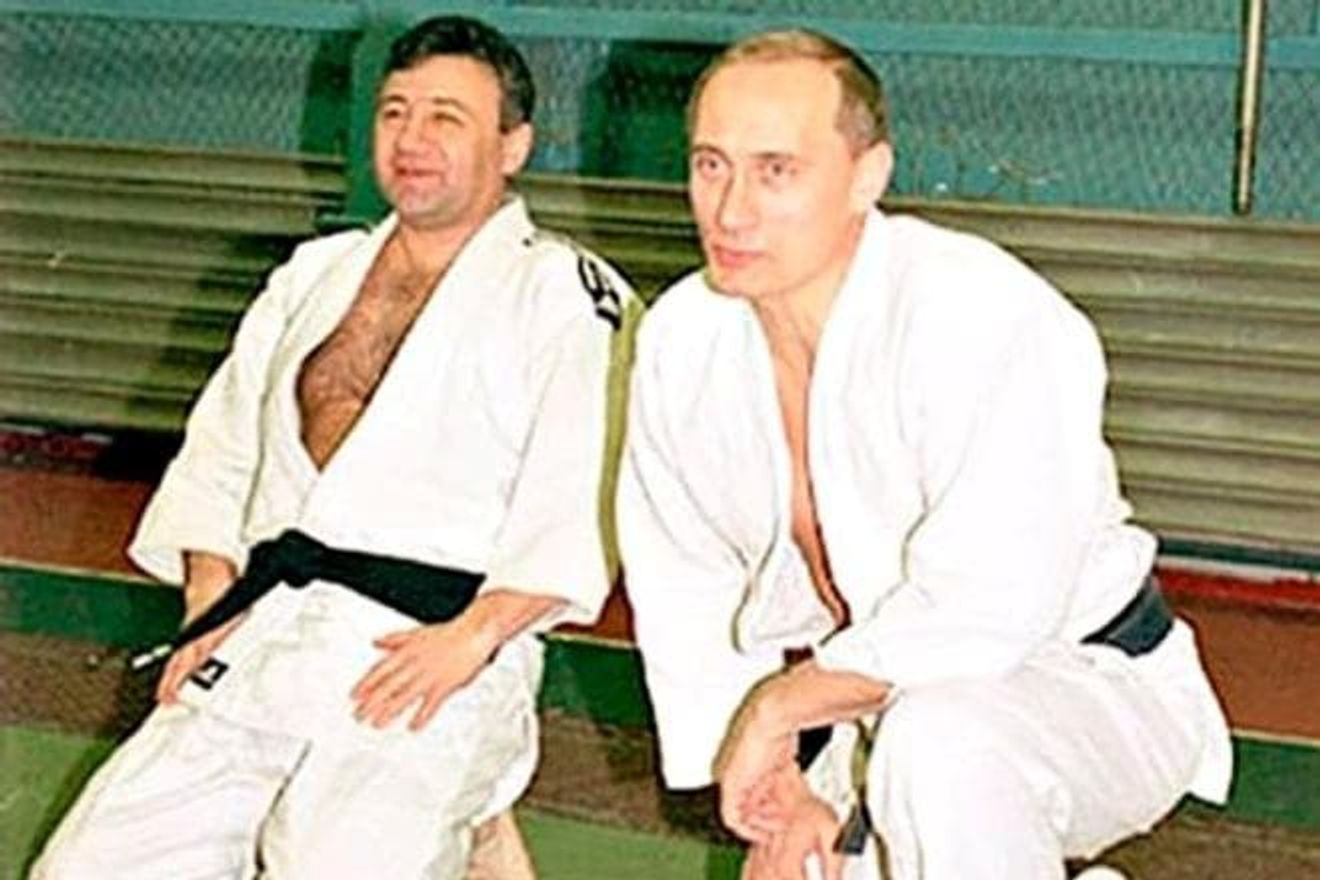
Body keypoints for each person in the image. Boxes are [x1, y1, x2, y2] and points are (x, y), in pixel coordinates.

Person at [617, 29, 1232, 880]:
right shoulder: (685, 339)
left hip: (1081, 682)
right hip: (875, 703)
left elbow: (990, 604)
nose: (730, 211)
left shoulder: (978, 316)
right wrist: (774, 782)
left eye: (776, 171)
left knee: (940, 741)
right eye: (710, 165)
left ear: (866, 176)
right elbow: (684, 582)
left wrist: (784, 706)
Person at [33, 15, 630, 879]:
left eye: (446, 117)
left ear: (513, 146)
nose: (412, 139)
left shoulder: (564, 292)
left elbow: (583, 492)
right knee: (91, 864)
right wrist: (211, 603)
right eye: (394, 113)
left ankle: (471, 812)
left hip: (428, 650)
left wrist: (473, 640)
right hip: (269, 629)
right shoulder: (314, 274)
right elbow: (224, 449)